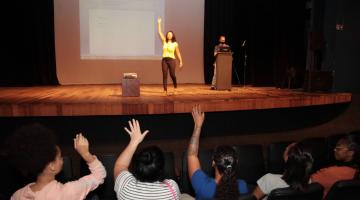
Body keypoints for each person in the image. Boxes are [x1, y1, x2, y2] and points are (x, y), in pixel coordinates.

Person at [5, 123, 106, 200]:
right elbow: (99, 175)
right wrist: (85, 153)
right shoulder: (67, 192)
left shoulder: (18, 195)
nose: (62, 159)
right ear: (52, 166)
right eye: (60, 156)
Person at [187, 105, 248, 200]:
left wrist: (197, 126)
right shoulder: (242, 186)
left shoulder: (203, 186)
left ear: (213, 163)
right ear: (236, 162)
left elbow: (191, 154)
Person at [113, 119, 180, 200]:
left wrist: (134, 142)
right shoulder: (172, 188)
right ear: (162, 170)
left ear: (136, 167)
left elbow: (120, 165)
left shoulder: (125, 187)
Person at [157, 17, 183, 95]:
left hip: (172, 60)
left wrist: (181, 61)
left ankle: (175, 87)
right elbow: (159, 32)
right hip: (164, 60)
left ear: (172, 36)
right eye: (168, 34)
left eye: (170, 34)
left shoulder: (175, 44)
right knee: (165, 75)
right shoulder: (164, 41)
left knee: (172, 75)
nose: (169, 35)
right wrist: (159, 23)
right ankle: (165, 91)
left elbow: (178, 53)